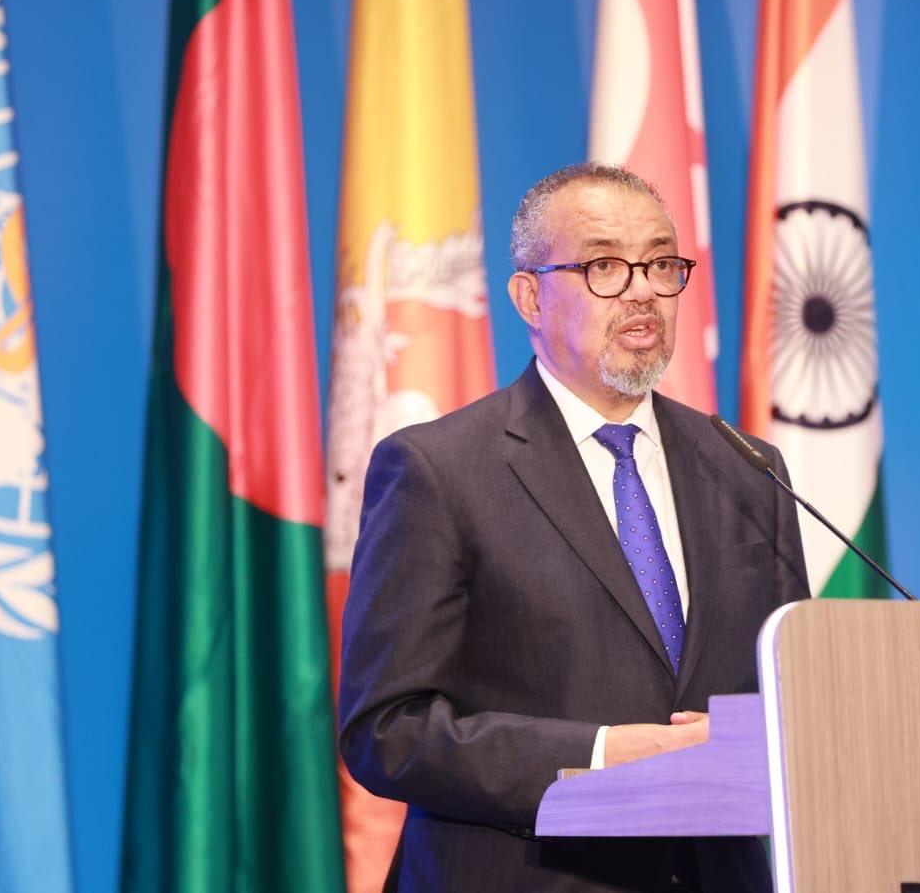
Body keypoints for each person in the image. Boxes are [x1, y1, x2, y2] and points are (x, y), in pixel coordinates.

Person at [339, 163, 810, 891]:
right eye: (604, 267)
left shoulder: (746, 467)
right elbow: (387, 731)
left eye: (660, 263)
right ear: (529, 296)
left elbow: (791, 691)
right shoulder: (439, 471)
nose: (643, 290)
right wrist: (597, 754)